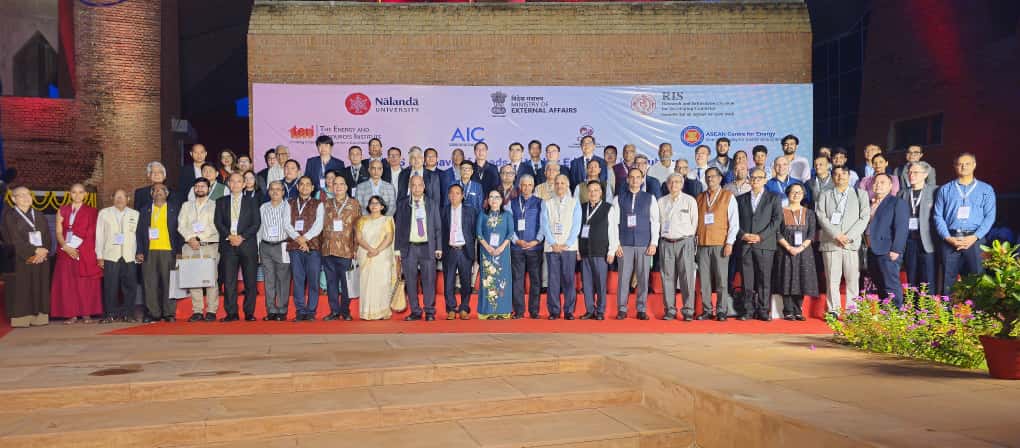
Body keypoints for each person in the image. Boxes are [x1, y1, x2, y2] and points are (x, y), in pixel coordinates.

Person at [933, 153, 996, 295]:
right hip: (950, 239)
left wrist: (975, 236)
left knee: (978, 279)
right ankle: (946, 314)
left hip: (975, 240)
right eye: (960, 164)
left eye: (967, 163)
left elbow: (990, 216)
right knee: (947, 281)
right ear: (955, 166)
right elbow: (937, 216)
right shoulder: (945, 189)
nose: (963, 166)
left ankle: (976, 314)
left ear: (974, 165)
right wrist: (947, 237)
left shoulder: (986, 189)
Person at [815, 166, 871, 316]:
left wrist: (849, 236)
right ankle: (833, 309)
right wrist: (836, 235)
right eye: (837, 174)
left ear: (849, 176)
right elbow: (821, 216)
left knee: (852, 279)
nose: (840, 177)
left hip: (850, 243)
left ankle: (852, 310)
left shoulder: (861, 194)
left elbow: (864, 217)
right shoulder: (824, 194)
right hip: (831, 243)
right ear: (833, 177)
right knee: (832, 279)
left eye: (844, 174)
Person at [51, 183, 102, 324]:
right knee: (68, 284)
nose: (77, 195)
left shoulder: (92, 212)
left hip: (84, 251)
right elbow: (59, 231)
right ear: (70, 194)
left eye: (80, 192)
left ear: (85, 194)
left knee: (85, 284)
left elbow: (92, 233)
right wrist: (65, 246)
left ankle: (87, 313)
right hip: (66, 252)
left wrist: (78, 248)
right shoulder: (62, 210)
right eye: (74, 192)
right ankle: (71, 314)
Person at [736, 168, 783, 321]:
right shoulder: (740, 199)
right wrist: (743, 235)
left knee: (764, 279)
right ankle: (748, 310)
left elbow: (776, 221)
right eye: (753, 177)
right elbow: (734, 222)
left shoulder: (774, 198)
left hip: (765, 244)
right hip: (746, 244)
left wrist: (760, 236)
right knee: (747, 280)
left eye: (759, 177)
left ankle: (763, 310)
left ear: (765, 180)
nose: (755, 180)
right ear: (748, 179)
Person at [614, 167, 660, 320]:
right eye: (631, 177)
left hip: (643, 243)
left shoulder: (650, 198)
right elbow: (613, 223)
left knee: (643, 277)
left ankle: (641, 308)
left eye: (638, 177)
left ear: (642, 179)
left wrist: (653, 243)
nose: (634, 180)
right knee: (623, 277)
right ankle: (621, 309)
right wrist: (616, 244)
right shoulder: (618, 198)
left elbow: (655, 222)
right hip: (624, 243)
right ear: (627, 179)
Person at [2, 186, 52, 327]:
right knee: (21, 288)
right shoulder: (9, 216)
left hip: (40, 259)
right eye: (21, 195)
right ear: (13, 199)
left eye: (28, 194)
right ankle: (22, 319)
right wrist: (33, 252)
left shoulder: (39, 214)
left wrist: (44, 251)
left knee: (39, 286)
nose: (26, 197)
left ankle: (39, 318)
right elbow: (13, 239)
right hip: (20, 259)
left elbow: (48, 236)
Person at [215, 173, 261, 322]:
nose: (235, 184)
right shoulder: (221, 201)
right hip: (228, 245)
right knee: (229, 281)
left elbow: (256, 223)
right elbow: (218, 223)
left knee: (250, 281)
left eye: (238, 181)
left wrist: (241, 237)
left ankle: (249, 313)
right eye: (232, 181)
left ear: (244, 184)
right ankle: (231, 313)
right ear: (228, 184)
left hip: (247, 244)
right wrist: (230, 236)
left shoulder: (252, 201)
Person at [396, 175, 443, 321]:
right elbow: (399, 227)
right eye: (413, 185)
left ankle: (429, 311)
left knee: (429, 280)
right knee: (410, 281)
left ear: (424, 187)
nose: (416, 188)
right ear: (410, 187)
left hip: (427, 247)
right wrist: (397, 248)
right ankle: (415, 311)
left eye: (419, 185)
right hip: (409, 247)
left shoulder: (432, 203)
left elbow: (437, 227)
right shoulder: (403, 204)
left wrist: (439, 247)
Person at [695, 168, 739, 321]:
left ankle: (721, 310)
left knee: (721, 279)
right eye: (708, 177)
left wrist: (730, 243)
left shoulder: (728, 196)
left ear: (720, 178)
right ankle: (707, 310)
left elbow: (734, 223)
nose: (710, 179)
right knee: (705, 280)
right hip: (702, 244)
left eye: (713, 176)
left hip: (721, 244)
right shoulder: (700, 197)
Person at [136, 183, 181, 323]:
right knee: (150, 283)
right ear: (151, 194)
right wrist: (139, 251)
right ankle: (153, 313)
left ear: (167, 194)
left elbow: (180, 231)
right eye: (155, 190)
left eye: (162, 190)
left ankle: (169, 313)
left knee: (169, 283)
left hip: (169, 251)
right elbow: (139, 233)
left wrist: (179, 251)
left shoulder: (175, 209)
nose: (158, 192)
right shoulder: (144, 210)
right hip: (149, 251)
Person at [178, 178, 220, 322]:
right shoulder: (186, 205)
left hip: (209, 245)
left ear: (208, 189)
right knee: (194, 279)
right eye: (197, 186)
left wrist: (199, 238)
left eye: (203, 186)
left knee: (210, 279)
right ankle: (197, 311)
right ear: (194, 189)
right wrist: (190, 238)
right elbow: (181, 225)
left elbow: (215, 225)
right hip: (190, 246)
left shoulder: (215, 205)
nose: (200, 188)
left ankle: (211, 310)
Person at [658, 174, 699, 321]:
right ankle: (670, 310)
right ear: (667, 184)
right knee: (667, 277)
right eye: (670, 182)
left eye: (677, 182)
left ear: (682, 184)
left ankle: (688, 310)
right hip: (666, 242)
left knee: (687, 277)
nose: (673, 184)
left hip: (685, 242)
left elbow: (694, 224)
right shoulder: (661, 201)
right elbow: (658, 222)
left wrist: (687, 238)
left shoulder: (690, 200)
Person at [775, 183, 819, 320]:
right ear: (788, 194)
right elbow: (777, 232)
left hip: (804, 251)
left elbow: (812, 234)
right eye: (793, 192)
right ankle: (787, 310)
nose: (796, 194)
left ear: (803, 195)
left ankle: (798, 309)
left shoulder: (809, 213)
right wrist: (788, 247)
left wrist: (800, 248)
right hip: (785, 250)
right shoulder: (780, 211)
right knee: (786, 278)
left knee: (802, 278)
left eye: (799, 192)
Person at [320, 176, 361, 321]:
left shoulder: (354, 204)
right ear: (331, 187)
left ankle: (345, 311)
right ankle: (334, 311)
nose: (338, 186)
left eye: (341, 184)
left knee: (346, 284)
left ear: (346, 187)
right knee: (331, 283)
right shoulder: (325, 204)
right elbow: (320, 227)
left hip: (346, 250)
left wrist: (356, 249)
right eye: (335, 184)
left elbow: (358, 229)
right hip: (328, 249)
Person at [541, 174, 581, 320]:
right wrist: (553, 243)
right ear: (554, 185)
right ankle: (554, 311)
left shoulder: (574, 202)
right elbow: (544, 225)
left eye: (563, 183)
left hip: (568, 248)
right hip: (552, 248)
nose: (559, 186)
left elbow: (576, 226)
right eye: (557, 183)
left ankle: (569, 310)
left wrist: (567, 243)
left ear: (568, 185)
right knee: (553, 280)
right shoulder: (547, 203)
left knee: (569, 279)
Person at [96, 189, 140, 323]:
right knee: (110, 287)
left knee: (130, 287)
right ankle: (110, 314)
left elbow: (139, 236)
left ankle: (129, 314)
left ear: (128, 199)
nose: (119, 199)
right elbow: (99, 235)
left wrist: (138, 253)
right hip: (110, 255)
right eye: (117, 197)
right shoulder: (104, 213)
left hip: (129, 256)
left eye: (122, 197)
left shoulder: (135, 214)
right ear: (112, 198)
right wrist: (100, 255)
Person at [866, 174, 909, 307]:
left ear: (890, 186)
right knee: (879, 283)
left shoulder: (897, 202)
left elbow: (901, 228)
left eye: (882, 182)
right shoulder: (870, 203)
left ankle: (896, 314)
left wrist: (896, 249)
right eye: (876, 182)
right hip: (871, 249)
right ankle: (885, 312)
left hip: (888, 250)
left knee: (891, 284)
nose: (878, 185)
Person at [578, 181, 618, 321]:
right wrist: (578, 250)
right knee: (587, 283)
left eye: (596, 190)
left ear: (601, 192)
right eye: (590, 191)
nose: (593, 193)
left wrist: (612, 251)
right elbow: (577, 230)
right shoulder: (582, 208)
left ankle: (600, 311)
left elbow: (613, 230)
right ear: (587, 193)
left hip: (601, 251)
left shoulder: (608, 208)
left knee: (601, 283)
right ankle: (589, 310)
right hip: (584, 251)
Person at [286, 176, 324, 321]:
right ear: (297, 187)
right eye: (302, 184)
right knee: (298, 280)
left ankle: (311, 312)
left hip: (313, 247)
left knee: (313, 280)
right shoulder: (288, 203)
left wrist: (305, 239)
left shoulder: (318, 204)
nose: (305, 187)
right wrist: (299, 239)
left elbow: (319, 225)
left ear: (313, 188)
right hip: (295, 247)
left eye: (308, 184)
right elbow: (286, 224)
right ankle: (300, 311)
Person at [441, 184, 479, 320]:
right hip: (449, 250)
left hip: (465, 250)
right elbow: (440, 232)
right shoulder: (443, 211)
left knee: (466, 281)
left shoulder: (470, 211)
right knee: (449, 281)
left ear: (462, 196)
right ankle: (451, 308)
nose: (454, 196)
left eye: (457, 193)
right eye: (451, 193)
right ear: (448, 196)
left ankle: (464, 308)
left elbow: (475, 231)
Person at [897, 163, 937, 290]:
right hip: (909, 241)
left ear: (925, 175)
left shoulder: (935, 191)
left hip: (927, 241)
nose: (911, 175)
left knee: (928, 279)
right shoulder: (902, 193)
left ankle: (928, 308)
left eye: (915, 172)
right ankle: (913, 308)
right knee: (911, 277)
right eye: (909, 172)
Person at [476, 190, 514, 319]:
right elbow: (479, 232)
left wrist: (501, 248)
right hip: (486, 253)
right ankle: (488, 312)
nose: (494, 199)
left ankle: (502, 311)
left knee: (502, 280)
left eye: (497, 197)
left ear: (502, 200)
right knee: (488, 281)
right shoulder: (483, 214)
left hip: (503, 253)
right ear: (488, 200)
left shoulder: (507, 215)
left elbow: (510, 233)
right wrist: (488, 247)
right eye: (491, 197)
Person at [356, 195, 395, 320]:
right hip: (366, 255)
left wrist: (377, 250)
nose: (374, 205)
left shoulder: (387, 220)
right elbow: (359, 238)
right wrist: (370, 249)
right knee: (367, 284)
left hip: (382, 256)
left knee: (382, 284)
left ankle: (382, 312)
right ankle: (367, 312)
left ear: (382, 206)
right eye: (372, 203)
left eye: (377, 203)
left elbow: (389, 238)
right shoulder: (362, 220)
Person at [510, 174, 544, 319]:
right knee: (517, 280)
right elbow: (509, 225)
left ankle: (534, 311)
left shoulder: (540, 202)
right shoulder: (511, 203)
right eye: (524, 185)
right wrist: (516, 240)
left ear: (533, 186)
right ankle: (518, 311)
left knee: (535, 280)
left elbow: (544, 224)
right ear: (519, 186)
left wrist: (537, 240)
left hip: (534, 248)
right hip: (517, 248)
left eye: (530, 185)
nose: (526, 188)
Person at [258, 181, 292, 321]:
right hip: (265, 246)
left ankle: (282, 310)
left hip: (282, 246)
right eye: (272, 189)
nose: (275, 192)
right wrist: (257, 248)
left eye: (279, 189)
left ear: (283, 192)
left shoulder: (288, 206)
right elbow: (259, 229)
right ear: (268, 191)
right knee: (269, 280)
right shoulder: (263, 207)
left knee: (283, 280)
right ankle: (271, 310)